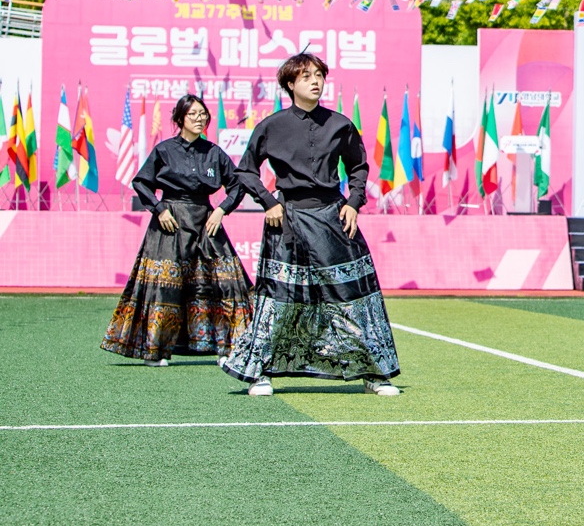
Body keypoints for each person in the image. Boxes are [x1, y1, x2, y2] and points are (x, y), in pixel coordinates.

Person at [222, 53, 400, 397]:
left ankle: (374, 374)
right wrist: (269, 202)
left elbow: (358, 167)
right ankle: (261, 372)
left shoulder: (340, 124)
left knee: (353, 296)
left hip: (334, 217)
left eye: (319, 75)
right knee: (279, 298)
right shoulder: (271, 126)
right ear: (290, 84)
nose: (315, 82)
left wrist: (353, 202)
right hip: (287, 219)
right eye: (306, 77)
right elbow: (245, 170)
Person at [102, 94, 252, 366]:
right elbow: (142, 183)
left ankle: (227, 348)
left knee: (223, 283)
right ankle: (154, 350)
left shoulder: (214, 152)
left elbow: (238, 185)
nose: (199, 119)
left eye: (203, 114)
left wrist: (221, 210)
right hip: (170, 223)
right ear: (180, 119)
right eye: (193, 114)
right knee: (165, 286)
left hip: (207, 221)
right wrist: (159, 209)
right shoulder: (164, 150)